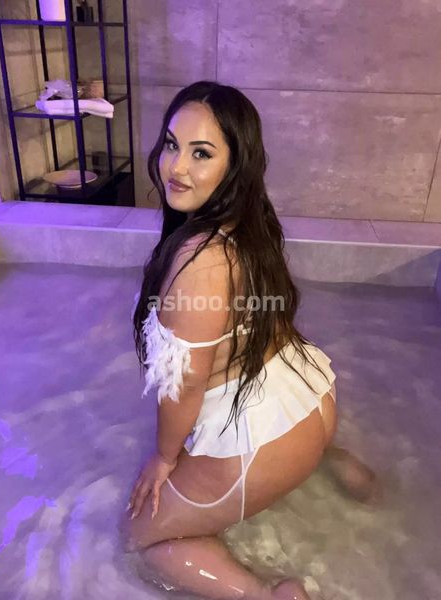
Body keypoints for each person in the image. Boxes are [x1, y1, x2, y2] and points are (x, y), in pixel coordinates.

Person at [123, 81, 379, 600]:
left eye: (201, 153)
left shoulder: (199, 261)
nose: (176, 166)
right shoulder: (251, 224)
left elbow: (184, 382)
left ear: (234, 165)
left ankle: (267, 595)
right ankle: (333, 460)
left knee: (137, 541)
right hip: (312, 398)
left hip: (263, 447)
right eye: (171, 144)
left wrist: (164, 459)